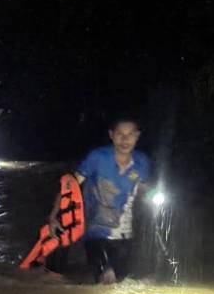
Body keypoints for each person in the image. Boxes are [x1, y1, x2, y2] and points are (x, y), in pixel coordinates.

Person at [47, 117, 151, 284]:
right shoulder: (98, 157)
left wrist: (150, 196)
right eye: (120, 134)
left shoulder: (142, 162)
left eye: (130, 134)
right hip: (95, 231)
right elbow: (69, 185)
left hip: (125, 234)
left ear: (137, 136)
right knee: (106, 279)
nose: (125, 139)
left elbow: (143, 189)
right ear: (111, 135)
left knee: (123, 283)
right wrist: (53, 217)